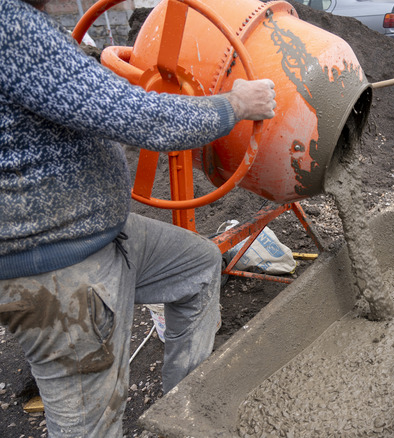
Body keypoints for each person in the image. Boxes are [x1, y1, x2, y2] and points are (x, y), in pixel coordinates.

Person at [0, 0, 277, 436]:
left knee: (199, 264)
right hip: (54, 267)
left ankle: (181, 415)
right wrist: (234, 104)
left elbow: (90, 96)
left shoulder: (29, 28)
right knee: (89, 422)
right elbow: (140, 117)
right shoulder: (10, 26)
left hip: (98, 233)